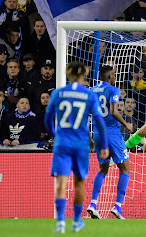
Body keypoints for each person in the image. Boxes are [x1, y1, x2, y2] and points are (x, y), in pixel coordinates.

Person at [44, 62, 109, 233]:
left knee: (61, 182)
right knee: (79, 184)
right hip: (80, 145)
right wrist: (103, 143)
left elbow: (48, 118)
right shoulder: (89, 95)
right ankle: (77, 221)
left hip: (62, 143)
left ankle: (59, 222)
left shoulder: (58, 93)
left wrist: (54, 134)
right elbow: (99, 121)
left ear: (68, 74)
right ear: (84, 76)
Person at [87, 65, 133, 220]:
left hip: (98, 135)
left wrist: (90, 138)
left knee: (103, 169)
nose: (115, 78)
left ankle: (93, 204)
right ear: (110, 76)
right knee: (125, 168)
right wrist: (126, 124)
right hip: (112, 134)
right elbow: (113, 111)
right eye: (114, 75)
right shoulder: (113, 90)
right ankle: (117, 206)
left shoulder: (91, 91)